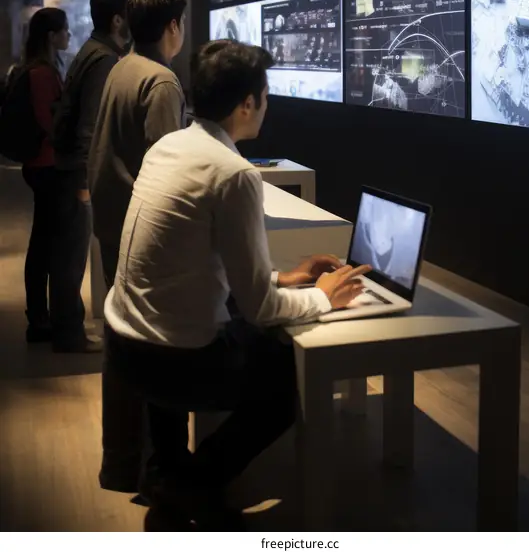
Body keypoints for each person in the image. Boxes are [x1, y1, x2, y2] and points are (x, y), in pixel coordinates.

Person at [104, 40, 369, 527]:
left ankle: (167, 467)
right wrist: (321, 296)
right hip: (173, 361)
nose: (267, 105)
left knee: (242, 335)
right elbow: (262, 308)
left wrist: (281, 276)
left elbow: (185, 261)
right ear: (248, 103)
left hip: (124, 347)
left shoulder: (170, 145)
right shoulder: (235, 174)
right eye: (266, 95)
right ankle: (191, 482)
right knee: (290, 381)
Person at [88, 0, 188, 495]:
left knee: (120, 342)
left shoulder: (122, 66)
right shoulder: (163, 82)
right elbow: (166, 169)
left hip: (112, 223)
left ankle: (121, 463)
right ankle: (157, 469)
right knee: (152, 348)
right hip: (141, 229)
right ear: (172, 26)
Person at [52, 0, 132, 353]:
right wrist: (85, 183)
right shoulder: (102, 59)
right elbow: (89, 127)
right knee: (71, 257)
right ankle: (68, 335)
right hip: (74, 174)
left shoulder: (91, 51)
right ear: (118, 19)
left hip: (67, 169)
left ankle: (65, 329)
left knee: (68, 254)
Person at [18, 8, 75, 345]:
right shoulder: (41, 73)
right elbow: (48, 121)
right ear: (51, 36)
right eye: (64, 30)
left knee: (44, 242)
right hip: (46, 165)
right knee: (45, 245)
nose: (69, 35)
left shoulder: (44, 68)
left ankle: (41, 316)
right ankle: (39, 318)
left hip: (44, 164)